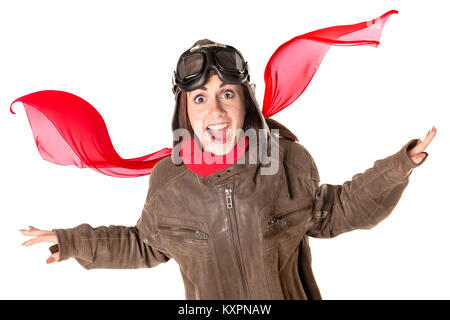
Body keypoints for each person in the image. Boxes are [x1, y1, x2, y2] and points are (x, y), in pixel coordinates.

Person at [20, 39, 436, 300]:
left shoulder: (287, 161)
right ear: (184, 109)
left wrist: (399, 166)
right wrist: (72, 241)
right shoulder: (169, 182)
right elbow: (145, 244)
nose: (215, 111)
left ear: (246, 101)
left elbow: (338, 210)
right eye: (199, 98)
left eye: (227, 94)